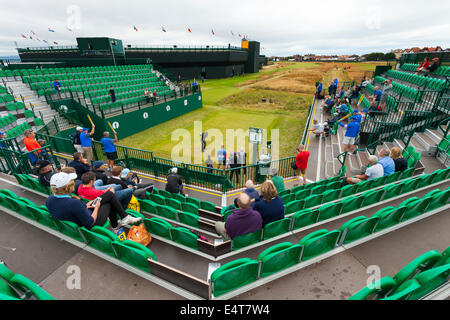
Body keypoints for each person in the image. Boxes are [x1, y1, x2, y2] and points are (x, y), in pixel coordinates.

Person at [46, 172, 141, 233]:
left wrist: (87, 204)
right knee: (109, 200)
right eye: (72, 181)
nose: (74, 182)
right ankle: (118, 223)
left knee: (109, 195)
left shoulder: (49, 199)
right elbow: (90, 222)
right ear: (68, 186)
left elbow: (73, 209)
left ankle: (122, 220)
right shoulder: (74, 204)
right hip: (91, 222)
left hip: (81, 215)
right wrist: (96, 207)